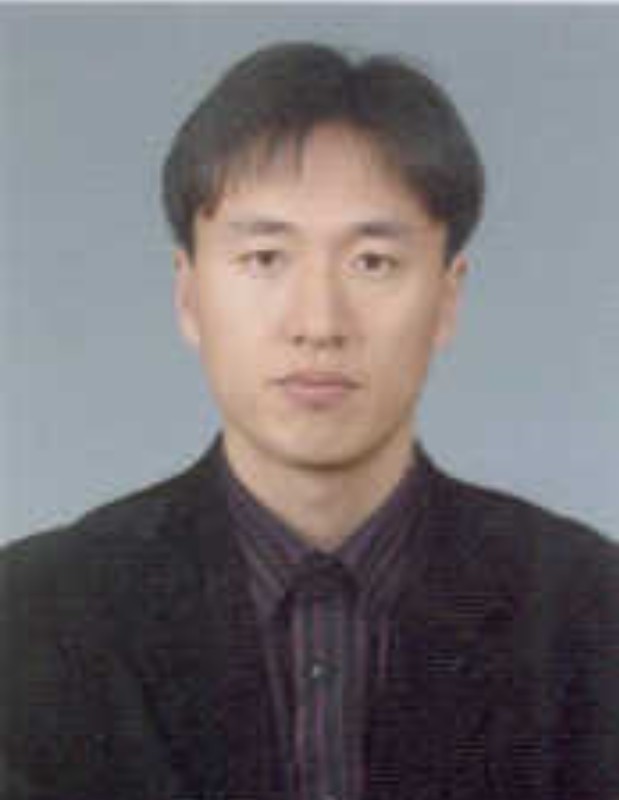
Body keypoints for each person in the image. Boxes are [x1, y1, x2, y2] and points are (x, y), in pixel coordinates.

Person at [1, 41, 617, 800]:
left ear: (447, 299)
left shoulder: (589, 613)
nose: (318, 323)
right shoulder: (33, 617)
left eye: (372, 262)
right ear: (189, 295)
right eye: (266, 258)